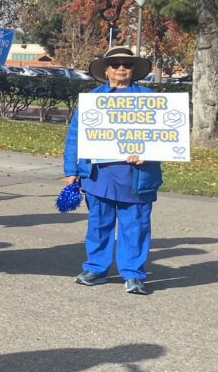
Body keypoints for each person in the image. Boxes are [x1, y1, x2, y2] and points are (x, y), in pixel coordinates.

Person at [63, 47, 161, 295]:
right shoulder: (92, 99)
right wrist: (71, 170)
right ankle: (96, 268)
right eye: (115, 64)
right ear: (106, 70)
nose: (120, 68)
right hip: (99, 175)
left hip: (137, 176)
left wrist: (149, 152)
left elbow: (165, 137)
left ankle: (134, 274)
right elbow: (75, 136)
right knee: (98, 224)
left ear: (133, 71)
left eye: (126, 65)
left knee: (135, 226)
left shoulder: (150, 98)